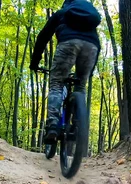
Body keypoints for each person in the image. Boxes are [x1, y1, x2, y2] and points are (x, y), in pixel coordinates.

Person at [29, 0, 101, 144]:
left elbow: (42, 37)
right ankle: (77, 124)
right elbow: (97, 45)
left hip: (68, 43)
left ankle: (53, 125)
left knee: (56, 83)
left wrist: (35, 62)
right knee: (80, 87)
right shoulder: (89, 19)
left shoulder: (62, 13)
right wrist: (90, 72)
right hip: (92, 48)